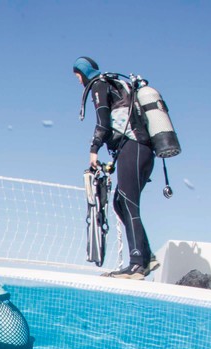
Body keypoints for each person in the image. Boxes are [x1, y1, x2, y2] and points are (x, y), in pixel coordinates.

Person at [74, 56, 159, 279]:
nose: (79, 81)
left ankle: (137, 265)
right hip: (138, 149)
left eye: (78, 76)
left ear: (83, 73)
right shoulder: (117, 85)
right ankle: (146, 258)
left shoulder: (99, 85)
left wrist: (94, 149)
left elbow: (102, 121)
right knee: (120, 202)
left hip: (135, 146)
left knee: (128, 202)